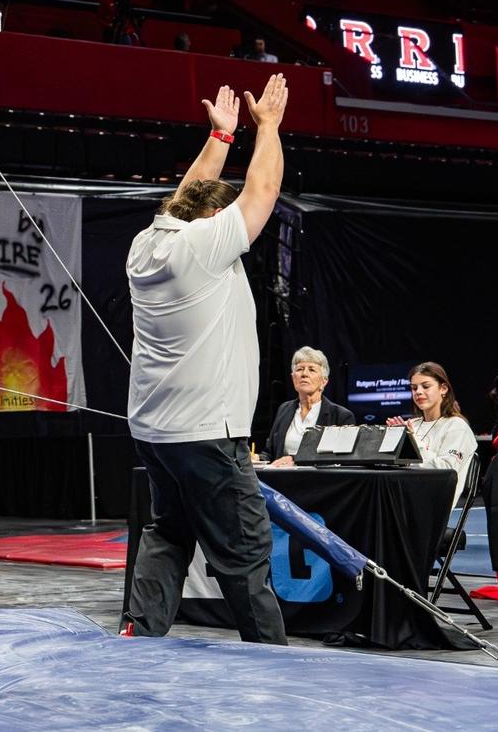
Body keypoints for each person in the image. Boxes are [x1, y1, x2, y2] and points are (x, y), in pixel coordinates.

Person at [122, 73, 290, 645]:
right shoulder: (203, 249)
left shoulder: (149, 243)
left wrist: (219, 140)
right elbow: (261, 192)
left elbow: (183, 199)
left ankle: (138, 641)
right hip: (206, 433)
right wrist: (266, 128)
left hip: (155, 432)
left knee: (168, 533)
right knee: (245, 555)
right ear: (212, 225)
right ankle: (276, 667)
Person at [388, 362, 477, 507]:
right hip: (403, 497)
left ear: (443, 389)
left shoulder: (457, 426)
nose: (418, 392)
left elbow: (446, 471)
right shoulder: (413, 424)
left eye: (426, 386)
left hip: (433, 506)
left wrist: (412, 442)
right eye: (414, 388)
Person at [264, 346, 356, 465]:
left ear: (324, 381)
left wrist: (295, 460)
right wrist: (257, 459)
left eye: (311, 370)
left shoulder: (341, 416)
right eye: (299, 369)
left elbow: (343, 459)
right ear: (293, 378)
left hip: (321, 481)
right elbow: (270, 453)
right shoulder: (284, 409)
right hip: (281, 479)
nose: (304, 374)